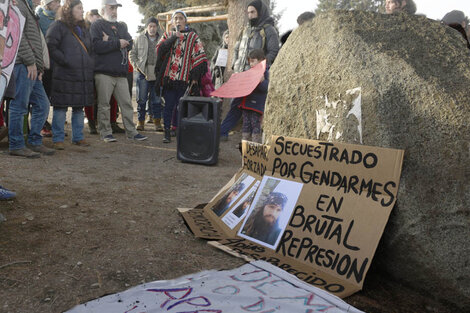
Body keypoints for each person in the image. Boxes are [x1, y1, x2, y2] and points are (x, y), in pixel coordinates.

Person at [220, 0, 279, 141]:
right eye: (248, 12)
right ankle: (223, 132)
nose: (250, 15)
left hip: (255, 78)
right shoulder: (245, 29)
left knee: (248, 109)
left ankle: (245, 140)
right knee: (237, 104)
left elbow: (274, 52)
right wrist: (235, 65)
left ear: (260, 12)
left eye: (253, 12)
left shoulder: (269, 30)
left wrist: (259, 69)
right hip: (241, 75)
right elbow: (236, 48)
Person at [90, 0, 147, 142]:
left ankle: (132, 132)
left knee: (127, 104)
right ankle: (105, 133)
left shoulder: (122, 25)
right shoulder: (97, 25)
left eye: (115, 8)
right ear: (103, 9)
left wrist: (109, 39)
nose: (114, 11)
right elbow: (96, 46)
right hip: (103, 72)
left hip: (120, 73)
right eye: (111, 8)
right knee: (104, 105)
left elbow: (130, 43)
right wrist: (117, 43)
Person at [8, 0, 55, 158]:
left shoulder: (28, 8)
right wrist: (30, 62)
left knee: (42, 104)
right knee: (19, 105)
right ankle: (16, 144)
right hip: (23, 64)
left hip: (32, 66)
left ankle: (35, 141)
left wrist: (39, 67)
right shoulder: (19, 5)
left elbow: (35, 41)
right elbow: (17, 36)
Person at [46, 0, 94, 150]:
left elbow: (89, 48)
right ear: (70, 10)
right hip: (64, 74)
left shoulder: (84, 28)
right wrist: (65, 60)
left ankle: (78, 137)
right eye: (79, 8)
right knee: (61, 108)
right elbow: (50, 45)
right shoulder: (58, 26)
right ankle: (58, 138)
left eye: (82, 8)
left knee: (79, 107)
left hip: (81, 75)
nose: (82, 11)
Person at [155, 10, 208, 143]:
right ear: (172, 22)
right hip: (169, 79)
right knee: (168, 106)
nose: (178, 21)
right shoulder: (168, 35)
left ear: (185, 21)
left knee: (181, 107)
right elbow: (159, 50)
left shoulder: (193, 37)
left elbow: (200, 57)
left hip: (184, 78)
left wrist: (195, 78)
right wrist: (174, 37)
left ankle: (179, 131)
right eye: (176, 19)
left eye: (180, 18)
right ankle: (167, 132)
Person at [130, 17, 163, 132]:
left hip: (157, 73)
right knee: (142, 99)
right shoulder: (139, 38)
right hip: (143, 72)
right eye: (150, 26)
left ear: (157, 27)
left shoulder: (162, 39)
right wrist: (137, 66)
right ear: (147, 27)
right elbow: (132, 54)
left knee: (157, 100)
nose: (152, 29)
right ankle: (140, 122)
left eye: (154, 26)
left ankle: (157, 123)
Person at [233, 49, 268, 143]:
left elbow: (266, 89)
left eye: (253, 61)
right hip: (247, 103)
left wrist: (262, 82)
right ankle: (244, 143)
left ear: (261, 61)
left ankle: (254, 144)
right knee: (246, 124)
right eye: (250, 61)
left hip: (256, 105)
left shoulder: (265, 72)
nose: (251, 64)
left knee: (255, 124)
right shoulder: (250, 71)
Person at [37, 0, 61, 138]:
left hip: (57, 64)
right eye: (56, 1)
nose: (59, 4)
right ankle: (42, 124)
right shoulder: (39, 18)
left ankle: (47, 123)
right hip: (44, 64)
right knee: (43, 96)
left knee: (52, 96)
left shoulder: (60, 18)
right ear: (48, 3)